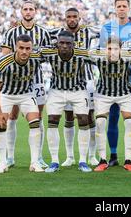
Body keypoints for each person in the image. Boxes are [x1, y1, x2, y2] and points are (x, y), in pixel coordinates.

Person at [1, 0, 51, 169]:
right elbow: (5, 56)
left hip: (36, 80)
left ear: (35, 12)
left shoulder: (43, 32)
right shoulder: (12, 32)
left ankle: (39, 157)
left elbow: (47, 55)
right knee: (12, 117)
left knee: (37, 117)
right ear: (21, 11)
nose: (28, 12)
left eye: (31, 9)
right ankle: (10, 157)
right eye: (25, 9)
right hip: (15, 81)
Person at [49, 7, 100, 167]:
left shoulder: (89, 31)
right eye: (69, 17)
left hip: (87, 81)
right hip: (64, 83)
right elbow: (40, 34)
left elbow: (106, 32)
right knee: (68, 118)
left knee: (88, 118)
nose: (71, 19)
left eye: (74, 17)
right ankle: (70, 156)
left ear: (79, 18)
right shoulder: (57, 33)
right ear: (65, 18)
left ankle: (91, 156)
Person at [99, 0, 131, 167]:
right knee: (112, 118)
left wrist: (129, 57)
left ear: (129, 8)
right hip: (111, 80)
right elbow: (102, 53)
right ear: (115, 8)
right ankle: (113, 155)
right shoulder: (106, 28)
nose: (122, 9)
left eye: (125, 6)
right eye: (119, 6)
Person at [86, 37, 131, 172]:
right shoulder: (99, 58)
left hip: (125, 94)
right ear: (106, 49)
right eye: (109, 49)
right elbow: (85, 53)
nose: (113, 52)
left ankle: (128, 160)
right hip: (103, 95)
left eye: (116, 49)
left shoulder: (128, 57)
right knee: (99, 123)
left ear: (120, 49)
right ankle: (103, 160)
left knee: (129, 123)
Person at [0, 34, 44, 173]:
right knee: (1, 124)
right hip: (7, 95)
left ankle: (34, 162)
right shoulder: (3, 62)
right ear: (16, 47)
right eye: (21, 48)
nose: (24, 52)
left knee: (35, 122)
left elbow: (52, 51)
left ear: (32, 49)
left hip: (27, 95)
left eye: (28, 48)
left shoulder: (36, 58)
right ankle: (3, 163)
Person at [41, 31, 92, 173]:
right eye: (61, 43)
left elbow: (100, 60)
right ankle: (54, 161)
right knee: (52, 120)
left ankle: (82, 160)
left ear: (73, 44)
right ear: (57, 43)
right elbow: (33, 55)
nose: (64, 46)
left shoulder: (82, 54)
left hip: (78, 90)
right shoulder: (49, 53)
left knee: (83, 120)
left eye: (68, 43)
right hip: (56, 90)